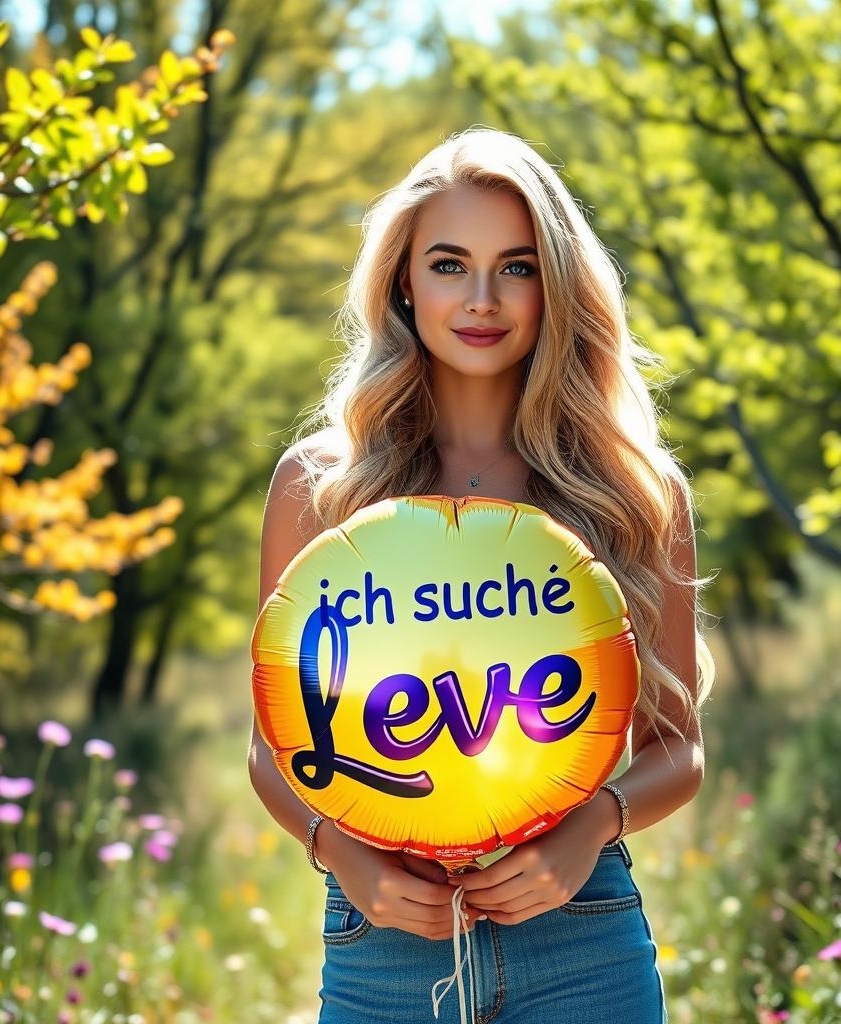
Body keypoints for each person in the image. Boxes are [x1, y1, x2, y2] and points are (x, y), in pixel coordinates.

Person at [247, 126, 716, 1024]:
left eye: (519, 265)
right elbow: (273, 747)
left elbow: (678, 750)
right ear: (403, 281)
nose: (483, 298)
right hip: (383, 947)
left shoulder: (631, 489)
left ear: (557, 285)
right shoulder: (323, 486)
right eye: (451, 264)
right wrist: (345, 858)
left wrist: (585, 834)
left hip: (583, 940)